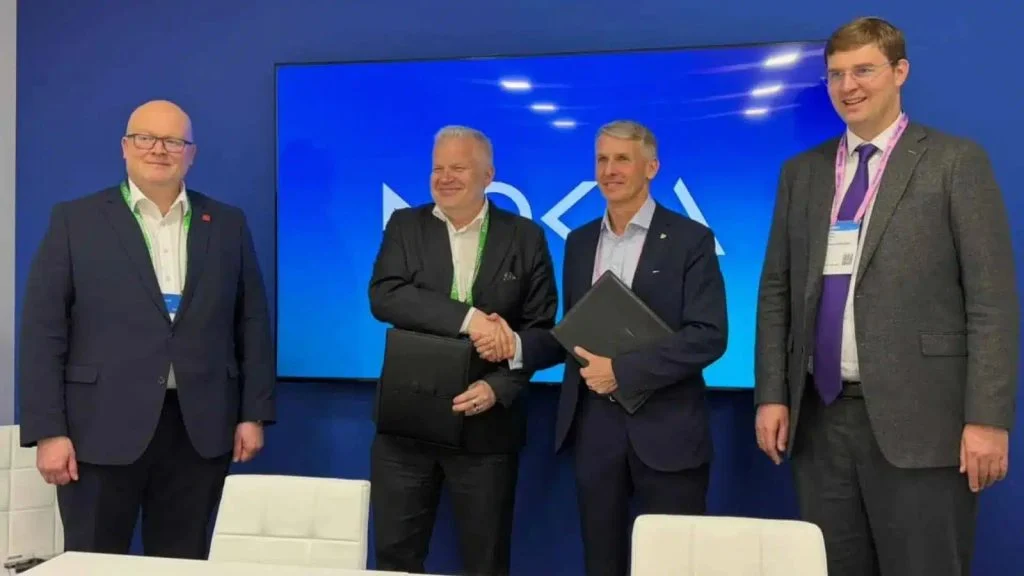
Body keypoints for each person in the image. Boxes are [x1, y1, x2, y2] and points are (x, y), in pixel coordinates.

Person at [754, 17, 1018, 576]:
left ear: (900, 72)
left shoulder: (954, 162)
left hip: (925, 425)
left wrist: (988, 419)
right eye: (836, 74)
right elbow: (776, 291)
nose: (848, 86)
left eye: (863, 70)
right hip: (819, 423)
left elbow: (991, 302)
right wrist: (771, 394)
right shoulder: (802, 173)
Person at [18, 100, 275, 559]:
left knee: (182, 560)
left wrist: (252, 414)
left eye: (173, 141)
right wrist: (48, 431)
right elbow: (43, 332)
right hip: (97, 430)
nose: (158, 149)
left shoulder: (227, 224)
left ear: (191, 154)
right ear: (124, 147)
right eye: (145, 138)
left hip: (198, 430)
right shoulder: (75, 220)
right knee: (93, 562)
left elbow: (251, 322)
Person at [475, 120, 728, 576]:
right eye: (602, 159)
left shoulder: (690, 239)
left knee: (672, 564)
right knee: (600, 563)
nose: (610, 170)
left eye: (622, 159)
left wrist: (622, 372)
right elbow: (574, 335)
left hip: (668, 431)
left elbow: (708, 335)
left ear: (651, 167)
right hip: (595, 431)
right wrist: (515, 344)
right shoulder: (579, 242)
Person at [367, 125, 558, 575]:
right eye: (438, 168)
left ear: (488, 175)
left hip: (488, 428)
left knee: (485, 561)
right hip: (407, 425)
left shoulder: (525, 236)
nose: (445, 177)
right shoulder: (405, 225)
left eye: (458, 167)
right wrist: (471, 320)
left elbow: (544, 335)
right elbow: (385, 296)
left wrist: (499, 387)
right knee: (395, 559)